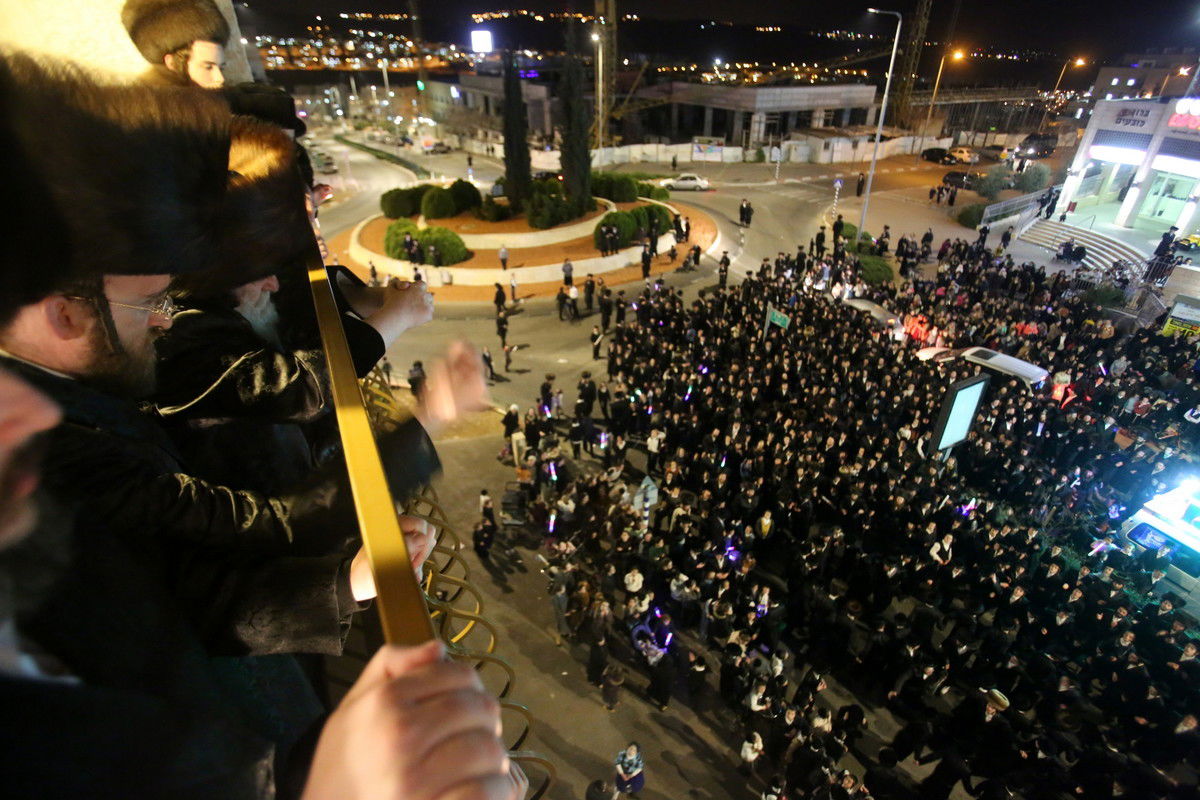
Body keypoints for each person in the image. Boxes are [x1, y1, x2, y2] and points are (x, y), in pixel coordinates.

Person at [121, 0, 228, 88]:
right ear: (172, 63)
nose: (220, 79)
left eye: (221, 68)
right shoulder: (149, 110)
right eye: (208, 67)